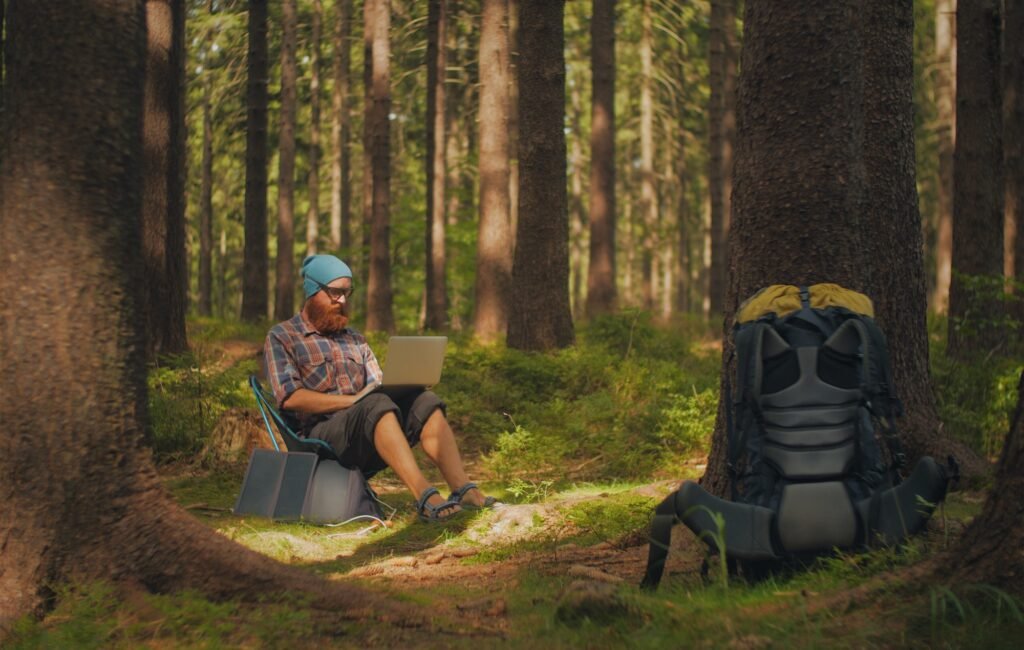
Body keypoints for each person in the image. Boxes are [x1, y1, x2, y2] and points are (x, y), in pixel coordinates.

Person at [264, 254, 496, 523]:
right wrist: (352, 401)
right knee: (375, 405)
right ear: (312, 290)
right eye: (335, 293)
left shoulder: (355, 339)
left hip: (365, 426)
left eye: (347, 292)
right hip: (320, 436)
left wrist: (405, 388)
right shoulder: (282, 337)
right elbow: (290, 397)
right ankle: (425, 496)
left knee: (424, 401)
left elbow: (377, 386)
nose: (343, 301)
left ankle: (463, 489)